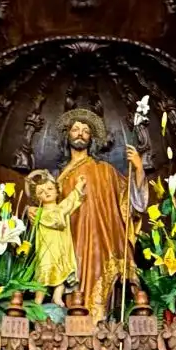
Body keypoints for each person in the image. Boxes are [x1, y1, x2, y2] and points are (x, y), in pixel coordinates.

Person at [54, 109, 145, 318]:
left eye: (85, 131)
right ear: (67, 135)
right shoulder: (58, 177)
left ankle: (102, 322)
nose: (80, 134)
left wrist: (138, 169)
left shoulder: (105, 170)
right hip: (73, 241)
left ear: (91, 138)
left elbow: (131, 201)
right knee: (73, 284)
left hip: (104, 239)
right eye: (75, 129)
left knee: (103, 285)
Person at [26, 169, 87, 306]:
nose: (46, 192)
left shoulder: (61, 208)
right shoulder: (38, 213)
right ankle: (38, 301)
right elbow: (55, 219)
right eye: (41, 192)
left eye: (49, 189)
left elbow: (71, 200)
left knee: (63, 273)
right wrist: (29, 209)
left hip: (62, 250)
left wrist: (79, 186)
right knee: (44, 274)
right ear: (37, 197)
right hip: (46, 252)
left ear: (57, 191)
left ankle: (57, 297)